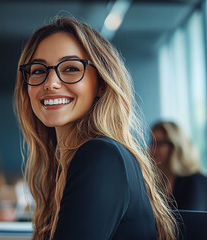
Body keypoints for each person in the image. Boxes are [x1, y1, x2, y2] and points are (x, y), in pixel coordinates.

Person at [14, 17, 177, 239]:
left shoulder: (101, 156)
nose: (50, 82)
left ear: (101, 83)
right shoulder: (69, 162)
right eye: (38, 70)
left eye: (71, 68)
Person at [150, 121, 207, 211]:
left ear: (175, 146)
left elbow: (193, 222)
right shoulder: (157, 182)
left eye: (158, 143)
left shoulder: (197, 181)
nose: (151, 149)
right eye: (151, 142)